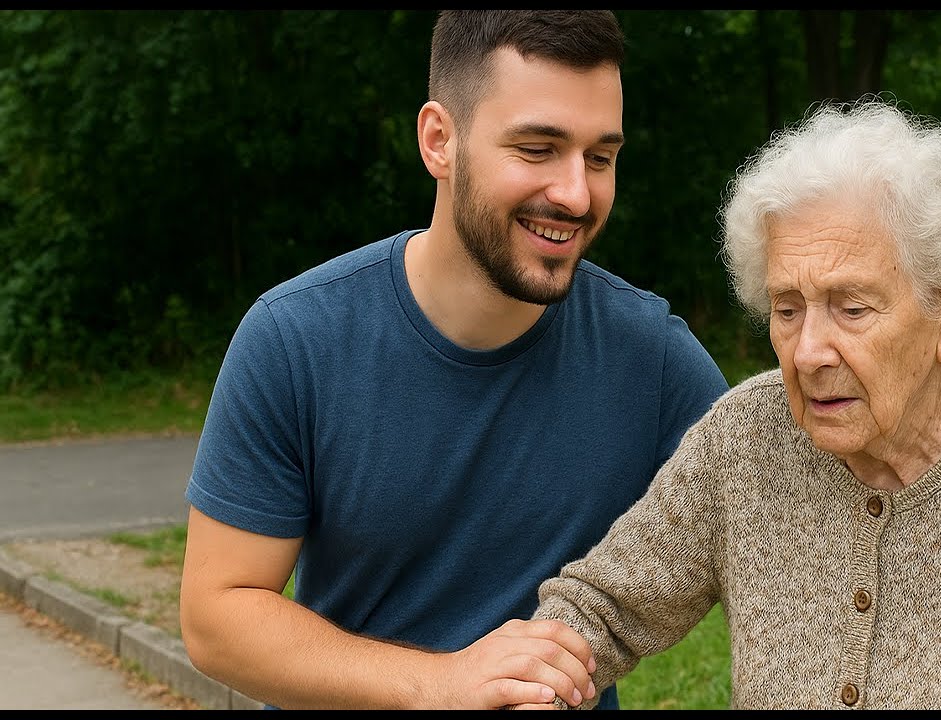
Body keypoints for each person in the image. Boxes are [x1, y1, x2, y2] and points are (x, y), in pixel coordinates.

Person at [525, 98, 941, 710]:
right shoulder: (742, 439)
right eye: (787, 309)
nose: (807, 351)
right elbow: (602, 608)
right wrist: (541, 688)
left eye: (851, 308)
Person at [178, 10, 728, 710]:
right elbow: (217, 617)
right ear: (440, 140)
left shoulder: (652, 359)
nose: (576, 193)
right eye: (537, 148)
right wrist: (441, 683)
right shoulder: (295, 339)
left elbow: (791, 530)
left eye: (600, 157)